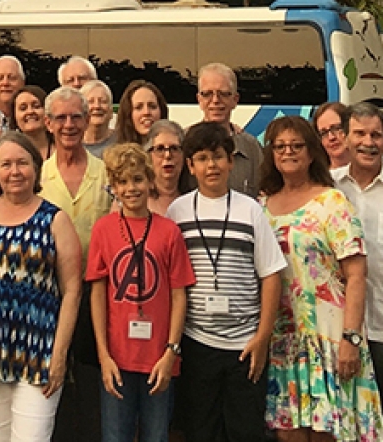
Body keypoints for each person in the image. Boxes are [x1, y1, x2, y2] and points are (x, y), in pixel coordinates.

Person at [261, 114, 383, 441]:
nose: (288, 152)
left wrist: (350, 339)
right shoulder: (262, 206)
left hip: (329, 340)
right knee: (288, 433)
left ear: (311, 151)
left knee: (328, 433)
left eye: (297, 145)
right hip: (282, 341)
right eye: (280, 146)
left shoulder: (333, 202)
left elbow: (356, 275)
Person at [165, 121, 285, 442]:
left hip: (244, 345)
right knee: (201, 430)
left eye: (218, 156)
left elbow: (271, 275)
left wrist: (262, 338)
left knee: (244, 431)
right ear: (190, 166)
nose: (212, 166)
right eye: (202, 158)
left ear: (231, 161)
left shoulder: (251, 210)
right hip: (196, 342)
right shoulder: (178, 212)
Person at [0, 131, 81, 442]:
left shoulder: (55, 220)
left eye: (22, 163)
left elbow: (72, 291)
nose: (14, 172)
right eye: (6, 164)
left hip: (38, 352)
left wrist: (59, 355)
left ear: (36, 168)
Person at [88, 143, 195, 442]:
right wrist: (103, 355)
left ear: (150, 181)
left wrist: (171, 352)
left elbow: (179, 295)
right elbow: (98, 293)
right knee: (115, 435)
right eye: (122, 182)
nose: (131, 188)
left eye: (137, 179)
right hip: (116, 358)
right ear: (113, 187)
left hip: (158, 358)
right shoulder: (103, 229)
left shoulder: (169, 231)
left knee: (157, 435)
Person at [39, 87, 111, 442]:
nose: (68, 125)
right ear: (48, 123)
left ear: (86, 121)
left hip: (96, 295)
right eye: (61, 118)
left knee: (91, 388)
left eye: (76, 117)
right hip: (48, 297)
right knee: (52, 387)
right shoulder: (37, 176)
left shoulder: (107, 173)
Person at [332, 102, 383, 399]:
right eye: (360, 133)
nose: (368, 142)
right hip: (341, 329)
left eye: (376, 135)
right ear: (345, 138)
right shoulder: (329, 188)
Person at [194, 62, 262, 198]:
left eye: (223, 94)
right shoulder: (184, 143)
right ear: (199, 99)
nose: (215, 100)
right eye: (207, 94)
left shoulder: (251, 147)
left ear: (235, 99)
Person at [143, 120, 190, 215]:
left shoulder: (195, 200)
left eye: (174, 148)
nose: (168, 155)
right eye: (160, 149)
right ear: (148, 155)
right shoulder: (135, 199)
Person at [115, 80, 168, 146]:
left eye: (152, 106)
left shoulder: (177, 148)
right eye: (138, 107)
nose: (146, 112)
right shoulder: (115, 151)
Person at [8, 85, 54, 160]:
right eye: (23, 108)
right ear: (14, 116)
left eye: (36, 106)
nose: (30, 111)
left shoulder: (63, 149)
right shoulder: (8, 153)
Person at [81, 80, 116, 158]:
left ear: (111, 111)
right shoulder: (71, 144)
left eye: (103, 101)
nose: (97, 106)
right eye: (90, 102)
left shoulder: (123, 141)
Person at [314, 101, 351, 169]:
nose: (331, 137)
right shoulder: (319, 175)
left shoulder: (368, 170)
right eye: (324, 133)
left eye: (336, 128)